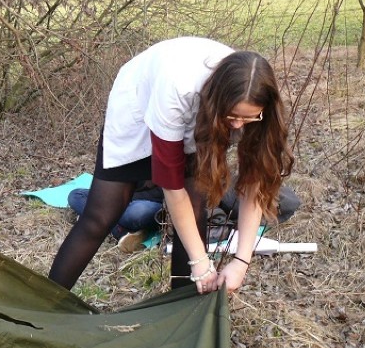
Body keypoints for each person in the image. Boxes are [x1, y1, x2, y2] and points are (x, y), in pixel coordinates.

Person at [48, 37, 294, 295]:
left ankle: (181, 310)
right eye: (232, 117)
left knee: (197, 206)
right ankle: (46, 305)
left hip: (203, 117)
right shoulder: (178, 88)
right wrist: (200, 262)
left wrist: (241, 262)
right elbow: (173, 190)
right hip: (139, 105)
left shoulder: (253, 95)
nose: (237, 126)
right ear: (218, 101)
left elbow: (254, 183)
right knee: (102, 213)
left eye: (248, 117)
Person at [67, 181, 164, 252]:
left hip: (147, 203)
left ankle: (93, 217)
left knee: (140, 212)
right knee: (76, 196)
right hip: (119, 200)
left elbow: (163, 193)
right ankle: (120, 231)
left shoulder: (164, 156)